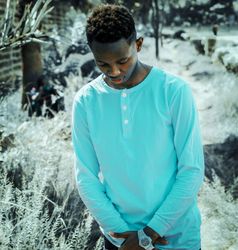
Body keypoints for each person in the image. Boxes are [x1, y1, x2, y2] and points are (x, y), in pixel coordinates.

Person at [71, 4, 204, 250]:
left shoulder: (173, 91)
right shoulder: (86, 101)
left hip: (176, 237)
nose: (115, 72)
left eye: (123, 60)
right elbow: (86, 177)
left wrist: (149, 233)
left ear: (138, 45)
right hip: (119, 238)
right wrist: (125, 236)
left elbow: (192, 171)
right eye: (103, 64)